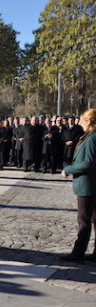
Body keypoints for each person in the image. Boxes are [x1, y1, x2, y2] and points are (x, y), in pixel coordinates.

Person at [60, 109, 96, 263]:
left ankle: (78, 252)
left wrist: (68, 169)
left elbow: (87, 163)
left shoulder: (92, 138)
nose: (80, 124)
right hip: (91, 184)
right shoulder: (90, 136)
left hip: (87, 185)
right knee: (94, 219)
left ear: (90, 121)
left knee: (83, 219)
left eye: (82, 121)